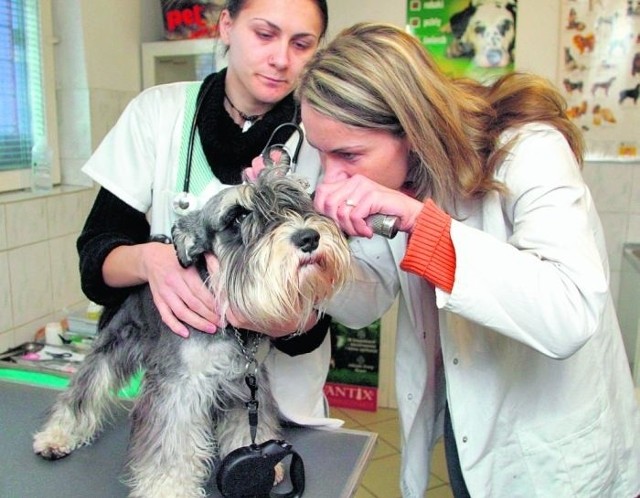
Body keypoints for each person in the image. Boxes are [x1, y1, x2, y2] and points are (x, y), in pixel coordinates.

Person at [295, 22, 640, 498]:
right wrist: (308, 254)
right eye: (321, 155)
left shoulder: (529, 149)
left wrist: (424, 226)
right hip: (468, 428)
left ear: (412, 130)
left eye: (348, 155)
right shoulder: (400, 175)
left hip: (553, 450)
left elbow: (570, 312)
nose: (330, 179)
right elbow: (364, 301)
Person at [76, 0, 342, 427]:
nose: (280, 59)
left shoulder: (324, 138)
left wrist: (284, 315)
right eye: (264, 34)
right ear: (226, 26)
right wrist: (152, 260)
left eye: (301, 43)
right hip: (180, 389)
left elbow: (326, 308)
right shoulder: (158, 113)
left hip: (280, 402)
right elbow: (95, 261)